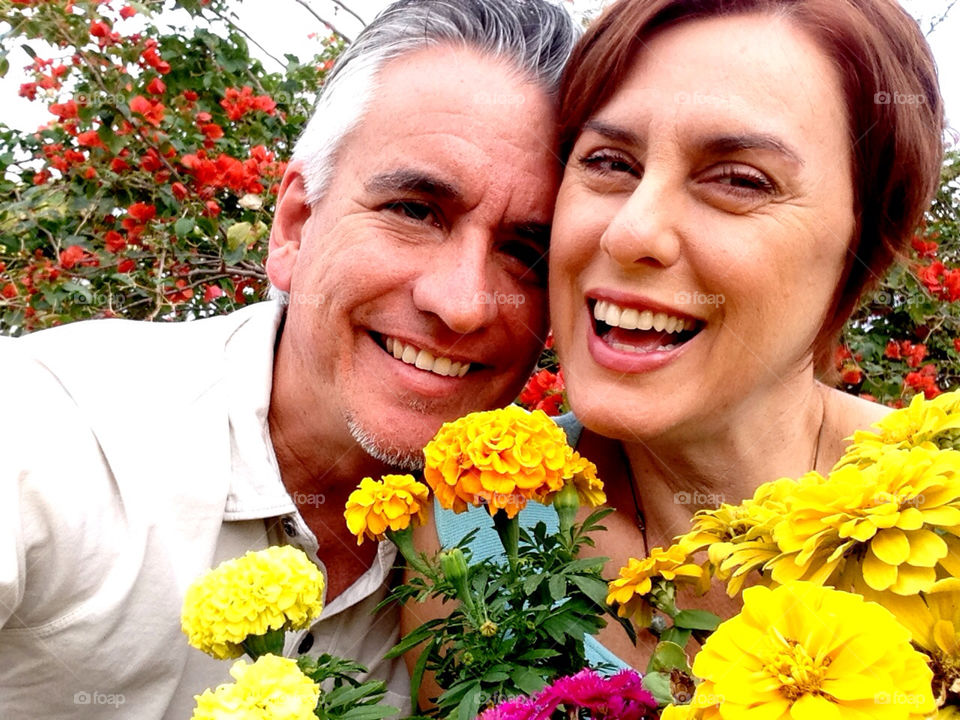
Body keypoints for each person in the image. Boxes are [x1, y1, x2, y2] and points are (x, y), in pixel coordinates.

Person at [0, 1, 577, 717]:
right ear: (295, 226)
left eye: (526, 252)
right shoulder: (52, 429)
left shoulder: (525, 551)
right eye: (414, 210)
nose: (462, 304)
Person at [415, 0, 945, 684]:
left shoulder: (945, 505)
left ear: (861, 246)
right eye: (609, 162)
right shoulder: (468, 531)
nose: (630, 233)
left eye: (739, 180)